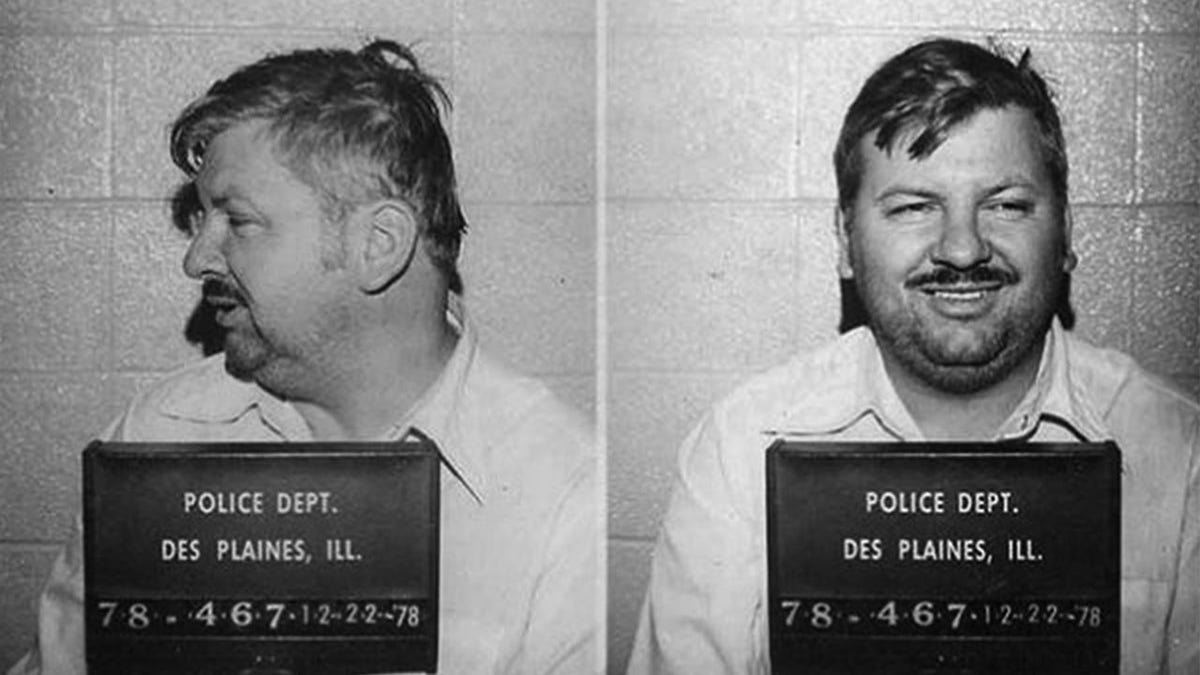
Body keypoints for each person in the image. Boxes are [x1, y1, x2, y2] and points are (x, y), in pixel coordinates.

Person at [9, 40, 597, 675]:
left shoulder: (563, 491)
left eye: (238, 220)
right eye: (201, 219)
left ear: (378, 244)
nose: (195, 259)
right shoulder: (161, 432)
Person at [627, 37, 1198, 675]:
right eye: (913, 208)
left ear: (1064, 233)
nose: (961, 249)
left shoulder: (1180, 456)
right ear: (846, 242)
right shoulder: (738, 450)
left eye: (1006, 205)